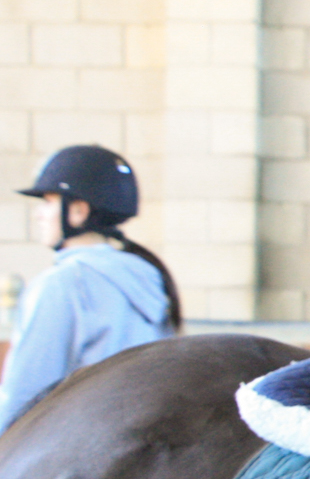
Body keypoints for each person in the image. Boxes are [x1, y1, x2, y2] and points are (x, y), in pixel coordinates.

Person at [0, 145, 181, 433]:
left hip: (74, 450)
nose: (39, 215)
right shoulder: (150, 277)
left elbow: (24, 392)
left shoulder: (61, 283)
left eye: (47, 202)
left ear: (78, 210)